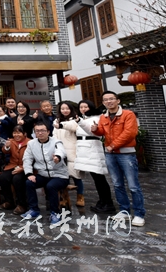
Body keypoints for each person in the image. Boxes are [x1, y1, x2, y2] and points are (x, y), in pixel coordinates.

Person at [92, 91, 145, 227]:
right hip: (110, 154)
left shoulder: (128, 114)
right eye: (105, 100)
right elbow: (102, 132)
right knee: (117, 184)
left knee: (133, 185)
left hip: (126, 153)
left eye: (111, 99)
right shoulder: (103, 117)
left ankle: (139, 213)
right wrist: (95, 130)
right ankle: (124, 211)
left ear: (118, 100)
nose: (109, 102)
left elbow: (130, 133)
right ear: (103, 103)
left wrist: (113, 145)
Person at [21, 122, 69, 225]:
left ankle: (55, 213)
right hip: (43, 174)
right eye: (37, 131)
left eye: (43, 130)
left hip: (59, 175)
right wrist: (29, 173)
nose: (40, 133)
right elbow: (27, 159)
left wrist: (58, 157)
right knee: (29, 183)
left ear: (48, 132)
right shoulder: (31, 144)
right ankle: (34, 210)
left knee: (51, 186)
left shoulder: (56, 142)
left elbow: (61, 151)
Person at [77, 100, 115, 214]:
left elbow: (92, 131)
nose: (83, 109)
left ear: (91, 107)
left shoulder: (97, 118)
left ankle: (108, 203)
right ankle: (102, 201)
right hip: (85, 150)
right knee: (97, 178)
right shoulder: (83, 118)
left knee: (99, 178)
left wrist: (80, 122)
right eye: (81, 107)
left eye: (86, 107)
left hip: (93, 148)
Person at [53, 101, 85, 207]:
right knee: (62, 177)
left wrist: (61, 125)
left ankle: (80, 196)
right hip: (60, 151)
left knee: (76, 176)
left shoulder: (75, 119)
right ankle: (64, 198)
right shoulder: (56, 120)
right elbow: (54, 135)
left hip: (73, 151)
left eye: (67, 108)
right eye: (62, 109)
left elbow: (72, 126)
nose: (65, 111)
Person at [0, 125, 30, 215]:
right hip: (13, 165)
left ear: (24, 134)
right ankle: (9, 201)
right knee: (3, 177)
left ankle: (22, 204)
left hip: (25, 167)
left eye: (19, 133)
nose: (16, 135)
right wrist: (7, 147)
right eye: (15, 133)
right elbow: (5, 151)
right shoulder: (11, 141)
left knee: (17, 179)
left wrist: (23, 168)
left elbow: (33, 159)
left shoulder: (30, 142)